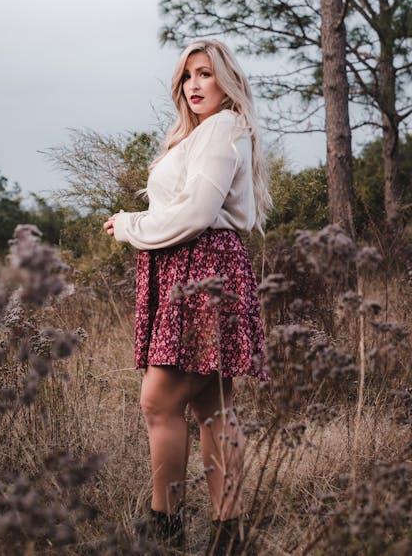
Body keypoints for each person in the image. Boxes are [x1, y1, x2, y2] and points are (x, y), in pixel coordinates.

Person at [104, 39, 271, 554]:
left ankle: (164, 526)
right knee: (212, 404)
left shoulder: (223, 129)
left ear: (227, 80)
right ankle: (230, 531)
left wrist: (131, 224)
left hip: (203, 268)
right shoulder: (201, 135)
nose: (194, 85)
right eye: (186, 77)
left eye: (205, 74)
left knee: (159, 399)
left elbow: (197, 214)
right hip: (192, 266)